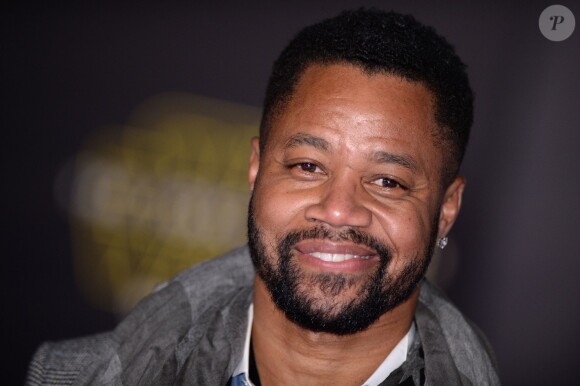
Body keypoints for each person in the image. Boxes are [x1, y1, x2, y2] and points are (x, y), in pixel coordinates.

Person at [26, 8, 500, 386]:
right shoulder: (69, 377)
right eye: (307, 167)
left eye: (387, 182)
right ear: (256, 170)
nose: (338, 209)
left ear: (446, 210)